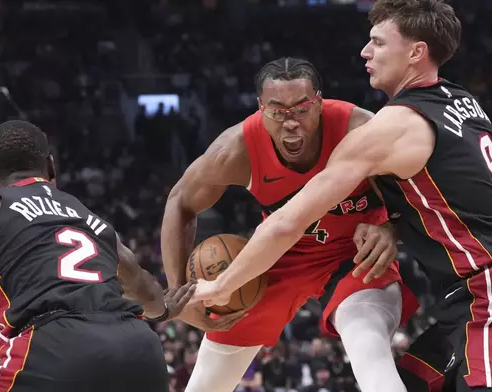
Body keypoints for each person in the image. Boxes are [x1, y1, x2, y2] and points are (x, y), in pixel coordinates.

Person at [192, 1, 492, 391]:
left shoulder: (392, 127)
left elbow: (287, 222)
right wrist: (393, 228)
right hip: (466, 301)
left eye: (378, 42)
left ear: (416, 52)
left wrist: (220, 287)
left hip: (490, 296)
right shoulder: (461, 102)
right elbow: (452, 193)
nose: (365, 51)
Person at [161, 57, 417, 392]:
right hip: (282, 256)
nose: (290, 122)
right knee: (209, 373)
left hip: (356, 254)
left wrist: (392, 230)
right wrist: (177, 292)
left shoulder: (359, 128)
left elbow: (424, 193)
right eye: (278, 111)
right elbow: (179, 202)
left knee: (366, 343)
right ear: (260, 108)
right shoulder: (237, 148)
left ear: (320, 103)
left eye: (301, 108)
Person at [0, 120, 195, 392]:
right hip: (140, 349)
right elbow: (146, 292)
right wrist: (166, 309)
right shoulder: (90, 219)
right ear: (51, 166)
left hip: (55, 346)